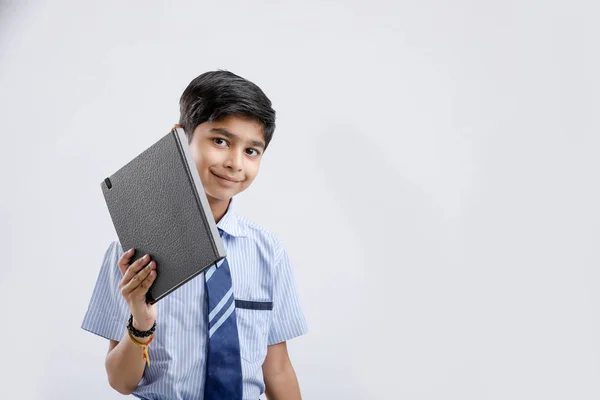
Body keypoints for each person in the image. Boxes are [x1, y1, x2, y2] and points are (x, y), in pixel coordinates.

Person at [81, 70, 308, 399]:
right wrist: (141, 321)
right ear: (180, 138)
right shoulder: (132, 250)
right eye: (220, 141)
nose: (234, 163)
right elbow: (120, 381)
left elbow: (278, 369)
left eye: (251, 151)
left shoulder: (267, 251)